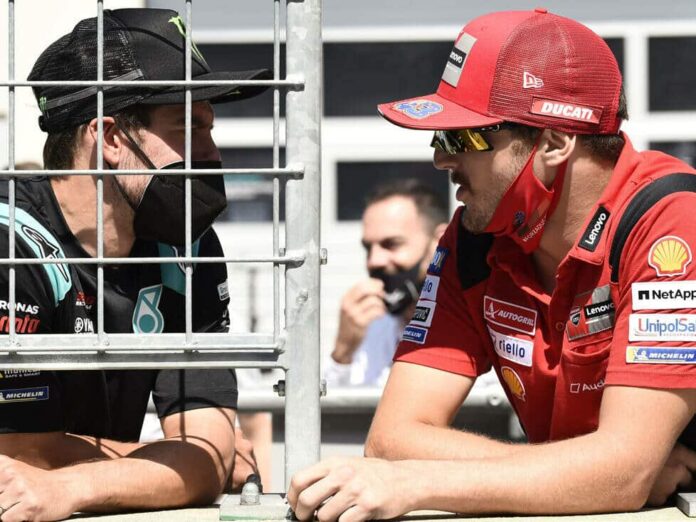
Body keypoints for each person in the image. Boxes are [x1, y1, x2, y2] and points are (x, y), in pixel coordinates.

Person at [288, 8, 696, 520]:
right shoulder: (474, 239)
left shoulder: (671, 222)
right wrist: (590, 473)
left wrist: (416, 482)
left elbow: (623, 475)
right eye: (441, 138)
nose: (441, 159)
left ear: (554, 143)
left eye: (463, 137)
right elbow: (393, 440)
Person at [0, 8, 271, 520]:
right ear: (110, 138)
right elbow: (20, 457)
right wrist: (168, 463)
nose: (212, 154)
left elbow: (209, 453)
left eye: (210, 129)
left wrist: (72, 483)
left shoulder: (187, 246)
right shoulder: (9, 245)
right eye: (188, 128)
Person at [323, 179, 448, 386]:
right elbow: (334, 404)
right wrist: (343, 352)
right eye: (368, 248)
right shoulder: (374, 324)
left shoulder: (475, 322)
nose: (374, 261)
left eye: (391, 244)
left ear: (440, 242)